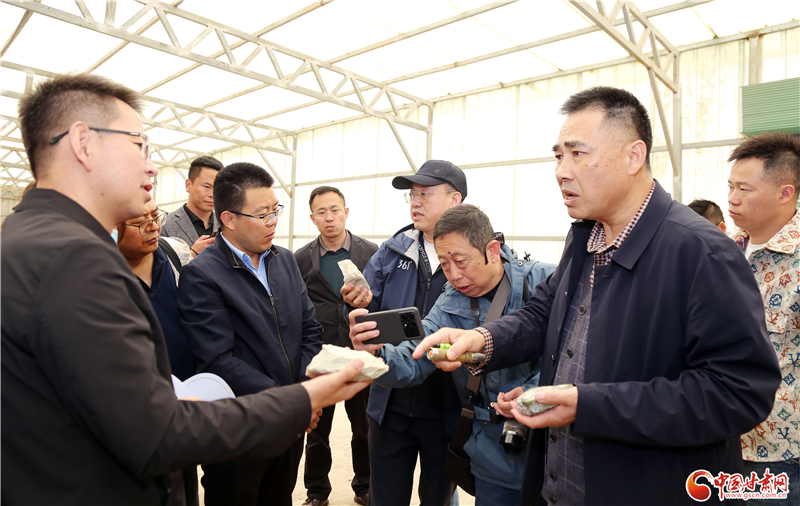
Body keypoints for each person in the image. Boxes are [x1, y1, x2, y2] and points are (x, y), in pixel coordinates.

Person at [1, 72, 369, 505]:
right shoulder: (72, 259)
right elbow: (156, 432)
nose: (152, 166)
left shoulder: (32, 241)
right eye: (139, 145)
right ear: (83, 143)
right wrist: (301, 399)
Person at [414, 86, 781, 505]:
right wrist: (481, 340)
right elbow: (542, 315)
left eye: (578, 153)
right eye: (558, 156)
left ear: (633, 156)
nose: (561, 171)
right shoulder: (585, 238)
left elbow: (738, 391)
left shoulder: (700, 252)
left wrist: (587, 405)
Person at [350, 204, 556, 506]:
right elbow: (416, 354)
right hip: (494, 458)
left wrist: (533, 392)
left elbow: (576, 357)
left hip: (553, 450)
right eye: (445, 264)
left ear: (492, 250)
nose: (454, 275)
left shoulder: (544, 283)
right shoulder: (450, 299)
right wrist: (376, 354)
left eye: (460, 261)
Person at [178, 162, 324, 506]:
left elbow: (310, 329)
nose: (273, 222)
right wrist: (288, 402)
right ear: (229, 219)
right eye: (262, 215)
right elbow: (217, 359)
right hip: (241, 430)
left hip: (290, 426)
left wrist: (303, 390)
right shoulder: (203, 275)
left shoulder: (284, 261)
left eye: (276, 211)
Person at [343, 159, 466, 506]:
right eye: (412, 195)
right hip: (389, 404)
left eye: (426, 194)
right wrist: (357, 302)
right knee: (385, 497)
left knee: (439, 498)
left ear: (455, 199)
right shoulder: (392, 250)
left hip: (446, 407)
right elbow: (368, 306)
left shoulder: (472, 256)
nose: (415, 202)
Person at [727, 132, 800, 506]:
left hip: (778, 451)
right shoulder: (725, 249)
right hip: (720, 436)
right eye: (730, 186)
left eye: (744, 189)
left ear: (785, 193)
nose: (732, 198)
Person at [294, 185, 378, 506]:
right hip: (320, 355)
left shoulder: (371, 252)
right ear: (312, 218)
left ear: (346, 213)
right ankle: (317, 492)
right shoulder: (301, 258)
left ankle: (365, 487)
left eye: (334, 210)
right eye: (321, 212)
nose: (329, 217)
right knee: (317, 429)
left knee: (364, 427)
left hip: (360, 352)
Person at [161, 155, 223, 257]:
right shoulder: (165, 225)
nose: (212, 194)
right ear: (188, 185)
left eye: (217, 188)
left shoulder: (226, 224)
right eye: (206, 186)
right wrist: (191, 255)